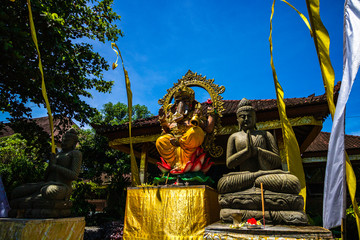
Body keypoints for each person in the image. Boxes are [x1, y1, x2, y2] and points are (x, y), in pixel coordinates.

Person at [217, 98, 307, 225]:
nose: (246, 119)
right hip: (244, 177)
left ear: (255, 118)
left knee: (293, 182)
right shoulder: (234, 137)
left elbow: (277, 160)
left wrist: (258, 151)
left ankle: (253, 188)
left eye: (249, 116)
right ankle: (258, 181)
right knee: (223, 183)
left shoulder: (266, 135)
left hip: (266, 178)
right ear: (237, 119)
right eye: (242, 116)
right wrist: (246, 152)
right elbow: (230, 163)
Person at [10, 128, 82, 217]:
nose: (64, 142)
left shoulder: (75, 153)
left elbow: (74, 175)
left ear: (74, 143)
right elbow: (46, 177)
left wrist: (55, 167)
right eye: (63, 140)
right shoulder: (57, 155)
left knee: (52, 191)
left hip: (62, 186)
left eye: (67, 140)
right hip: (46, 184)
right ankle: (37, 196)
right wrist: (51, 164)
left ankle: (35, 197)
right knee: (16, 191)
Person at [156, 82, 215, 174]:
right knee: (161, 140)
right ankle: (174, 165)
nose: (181, 104)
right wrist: (163, 120)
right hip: (173, 140)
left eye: (185, 100)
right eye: (178, 101)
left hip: (189, 142)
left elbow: (208, 129)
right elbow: (166, 130)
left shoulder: (196, 111)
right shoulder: (172, 115)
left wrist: (198, 119)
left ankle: (186, 163)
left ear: (191, 102)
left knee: (195, 132)